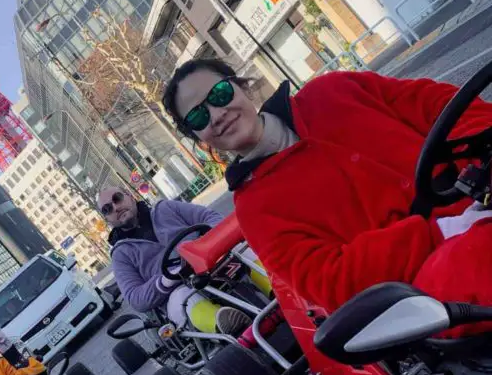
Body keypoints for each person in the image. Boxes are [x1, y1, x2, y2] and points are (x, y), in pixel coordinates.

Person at [163, 58, 492, 317]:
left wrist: (484, 149)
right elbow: (331, 281)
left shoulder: (332, 91)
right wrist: (439, 233)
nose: (217, 114)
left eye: (220, 94)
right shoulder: (254, 209)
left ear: (239, 86)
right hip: (430, 276)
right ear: (197, 137)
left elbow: (436, 104)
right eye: (198, 117)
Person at [98, 186, 250, 335]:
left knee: (242, 250)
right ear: (106, 219)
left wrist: (206, 245)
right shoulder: (120, 255)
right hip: (178, 292)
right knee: (182, 299)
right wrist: (165, 281)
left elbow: (212, 218)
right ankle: (226, 325)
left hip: (212, 263)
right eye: (107, 209)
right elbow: (135, 297)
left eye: (117, 199)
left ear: (130, 196)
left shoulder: (166, 208)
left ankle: (272, 284)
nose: (115, 207)